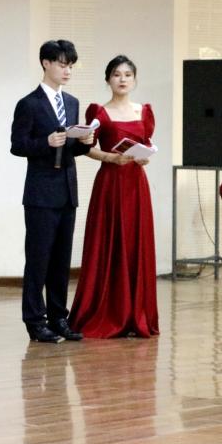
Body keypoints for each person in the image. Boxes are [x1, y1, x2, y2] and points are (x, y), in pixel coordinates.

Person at [10, 39, 95, 344]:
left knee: (61, 260)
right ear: (46, 63)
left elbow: (71, 149)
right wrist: (44, 143)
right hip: (40, 194)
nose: (67, 70)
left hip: (67, 191)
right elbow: (17, 145)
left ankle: (59, 318)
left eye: (70, 65)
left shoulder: (71, 102)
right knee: (38, 260)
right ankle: (35, 321)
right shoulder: (29, 104)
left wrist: (85, 142)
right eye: (62, 64)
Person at [69, 55, 159, 338]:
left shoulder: (144, 111)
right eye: (117, 74)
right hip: (110, 183)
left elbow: (146, 145)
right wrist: (110, 157)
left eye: (128, 75)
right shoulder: (99, 112)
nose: (122, 79)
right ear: (108, 79)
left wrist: (144, 157)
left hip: (136, 185)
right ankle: (108, 311)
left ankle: (136, 314)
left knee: (135, 242)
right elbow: (86, 147)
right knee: (108, 242)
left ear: (134, 79)